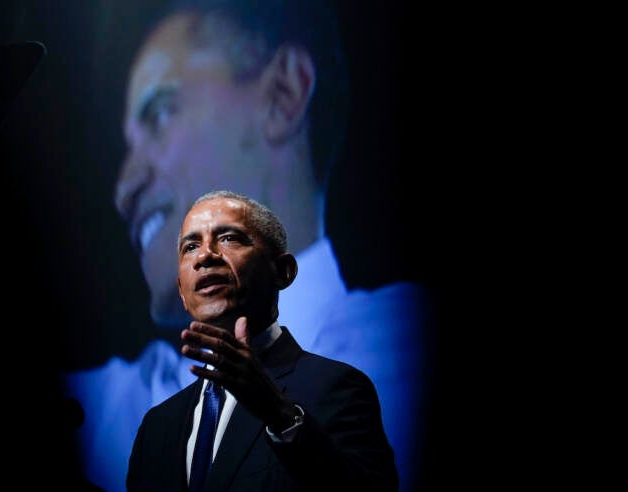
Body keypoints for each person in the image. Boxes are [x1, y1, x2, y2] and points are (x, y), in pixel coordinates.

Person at [62, 1, 434, 491]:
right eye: (189, 247)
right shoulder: (140, 421)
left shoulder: (395, 350)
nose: (124, 187)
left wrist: (279, 415)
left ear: (283, 93)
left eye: (159, 112)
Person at [126, 189, 398, 491]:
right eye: (191, 246)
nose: (205, 256)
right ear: (182, 291)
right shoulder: (157, 426)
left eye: (229, 238)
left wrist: (279, 414)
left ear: (283, 271)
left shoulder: (337, 388)